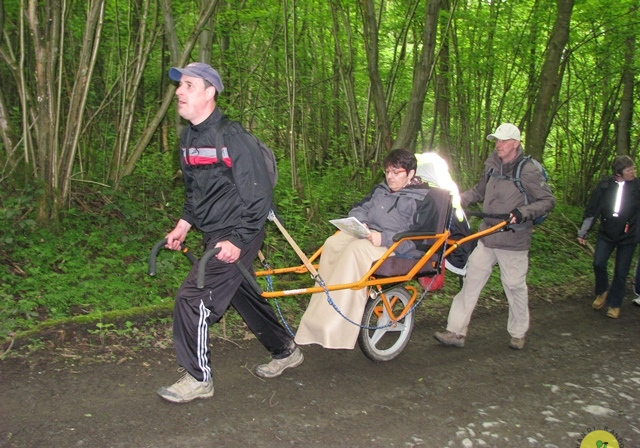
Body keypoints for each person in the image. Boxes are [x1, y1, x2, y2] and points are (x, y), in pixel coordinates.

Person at [157, 63, 302, 404]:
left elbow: (259, 196)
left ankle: (197, 378)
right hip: (214, 232)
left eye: (189, 86)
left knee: (193, 298)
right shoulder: (188, 138)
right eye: (180, 86)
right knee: (240, 293)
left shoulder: (234, 138)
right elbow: (195, 192)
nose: (179, 91)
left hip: (241, 230)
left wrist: (238, 240)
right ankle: (286, 349)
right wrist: (183, 225)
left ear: (210, 93)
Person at [294, 149, 439, 349]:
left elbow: (423, 239)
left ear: (411, 173)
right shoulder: (381, 189)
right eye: (388, 172)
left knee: (356, 251)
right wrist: (361, 222)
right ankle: (316, 320)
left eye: (397, 172)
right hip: (369, 235)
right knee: (332, 244)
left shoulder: (423, 199)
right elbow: (360, 206)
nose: (390, 177)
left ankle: (337, 328)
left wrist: (385, 238)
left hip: (396, 246)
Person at [434, 123, 555, 350]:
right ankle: (455, 331)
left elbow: (548, 200)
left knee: (514, 286)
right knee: (471, 281)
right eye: (496, 140)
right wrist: (455, 200)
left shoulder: (527, 170)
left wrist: (522, 213)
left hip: (513, 239)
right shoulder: (492, 165)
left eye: (503, 141)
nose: (498, 145)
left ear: (515, 143)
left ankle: (518, 333)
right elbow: (479, 191)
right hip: (487, 235)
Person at [577, 155, 640, 318]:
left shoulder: (638, 186)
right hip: (607, 232)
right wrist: (583, 231)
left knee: (621, 271)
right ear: (618, 173)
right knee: (598, 263)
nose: (633, 171)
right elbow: (593, 209)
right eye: (629, 169)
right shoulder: (605, 185)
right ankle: (601, 291)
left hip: (629, 235)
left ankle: (614, 304)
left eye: (633, 168)